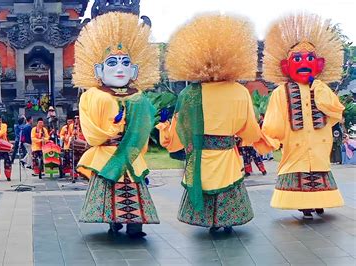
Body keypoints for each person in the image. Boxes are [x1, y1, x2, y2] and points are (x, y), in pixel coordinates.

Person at [156, 14, 264, 233]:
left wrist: (166, 135)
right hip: (226, 153)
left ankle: (209, 222)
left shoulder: (189, 93)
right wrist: (255, 140)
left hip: (201, 155)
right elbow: (250, 128)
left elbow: (179, 128)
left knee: (205, 185)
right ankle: (227, 222)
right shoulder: (239, 92)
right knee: (228, 185)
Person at [72, 12, 160, 237]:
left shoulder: (138, 97)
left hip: (130, 152)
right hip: (107, 152)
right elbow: (90, 128)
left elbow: (143, 128)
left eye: (125, 63)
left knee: (134, 186)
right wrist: (111, 132)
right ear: (99, 70)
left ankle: (134, 224)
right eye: (112, 63)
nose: (120, 68)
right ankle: (113, 221)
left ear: (134, 70)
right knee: (109, 187)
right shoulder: (93, 95)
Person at [257, 14, 345, 219]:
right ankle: (305, 204)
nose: (304, 62)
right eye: (297, 59)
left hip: (318, 142)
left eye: (309, 59)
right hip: (294, 142)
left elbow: (335, 110)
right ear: (286, 66)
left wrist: (317, 86)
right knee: (297, 167)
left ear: (319, 64)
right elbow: (274, 119)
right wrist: (268, 138)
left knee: (320, 167)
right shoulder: (281, 91)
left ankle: (320, 201)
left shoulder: (322, 88)